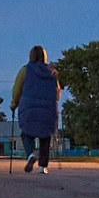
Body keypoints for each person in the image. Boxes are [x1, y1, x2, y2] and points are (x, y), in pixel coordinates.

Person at [10, 45, 60, 173]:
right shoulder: (52, 73)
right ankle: (43, 167)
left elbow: (17, 88)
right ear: (44, 57)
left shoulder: (25, 71)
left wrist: (13, 104)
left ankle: (30, 155)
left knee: (27, 133)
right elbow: (57, 92)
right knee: (45, 137)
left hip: (29, 108)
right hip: (48, 109)